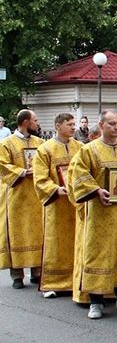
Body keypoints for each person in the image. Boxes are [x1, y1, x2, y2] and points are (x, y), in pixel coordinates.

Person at [67, 111, 117, 319]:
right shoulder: (89, 150)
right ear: (101, 125)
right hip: (101, 212)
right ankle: (96, 301)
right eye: (111, 123)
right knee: (98, 253)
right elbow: (79, 174)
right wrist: (96, 191)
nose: (116, 127)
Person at [31, 113, 82, 298]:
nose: (73, 127)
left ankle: (76, 279)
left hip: (77, 203)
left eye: (74, 124)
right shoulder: (45, 150)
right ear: (58, 126)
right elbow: (40, 178)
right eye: (69, 124)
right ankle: (52, 282)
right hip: (57, 204)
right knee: (56, 242)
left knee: (78, 241)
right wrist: (56, 189)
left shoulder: (80, 147)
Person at [0, 109, 45, 289]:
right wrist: (22, 172)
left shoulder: (40, 143)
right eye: (35, 120)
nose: (37, 123)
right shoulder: (7, 144)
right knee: (17, 233)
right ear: (26, 122)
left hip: (36, 195)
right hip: (17, 195)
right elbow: (2, 165)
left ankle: (37, 271)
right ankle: (17, 274)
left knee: (37, 231)